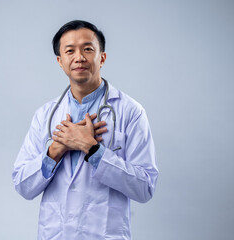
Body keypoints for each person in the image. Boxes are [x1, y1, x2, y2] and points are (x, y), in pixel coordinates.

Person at [12, 20, 159, 240]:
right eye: (70, 51)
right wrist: (56, 149)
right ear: (60, 62)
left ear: (102, 57)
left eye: (88, 49)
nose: (79, 57)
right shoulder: (45, 115)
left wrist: (91, 148)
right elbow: (23, 185)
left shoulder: (131, 112)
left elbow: (145, 187)